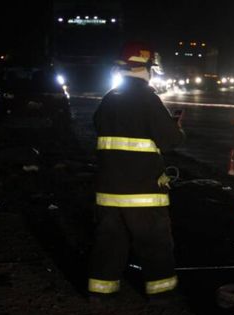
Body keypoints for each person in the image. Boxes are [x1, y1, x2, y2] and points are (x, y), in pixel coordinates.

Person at [87, 41, 185, 299]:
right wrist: (176, 126)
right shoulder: (148, 99)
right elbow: (171, 141)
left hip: (107, 192)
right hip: (142, 193)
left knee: (108, 244)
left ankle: (100, 292)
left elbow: (99, 127)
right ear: (147, 69)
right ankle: (161, 295)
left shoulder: (109, 100)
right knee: (154, 245)